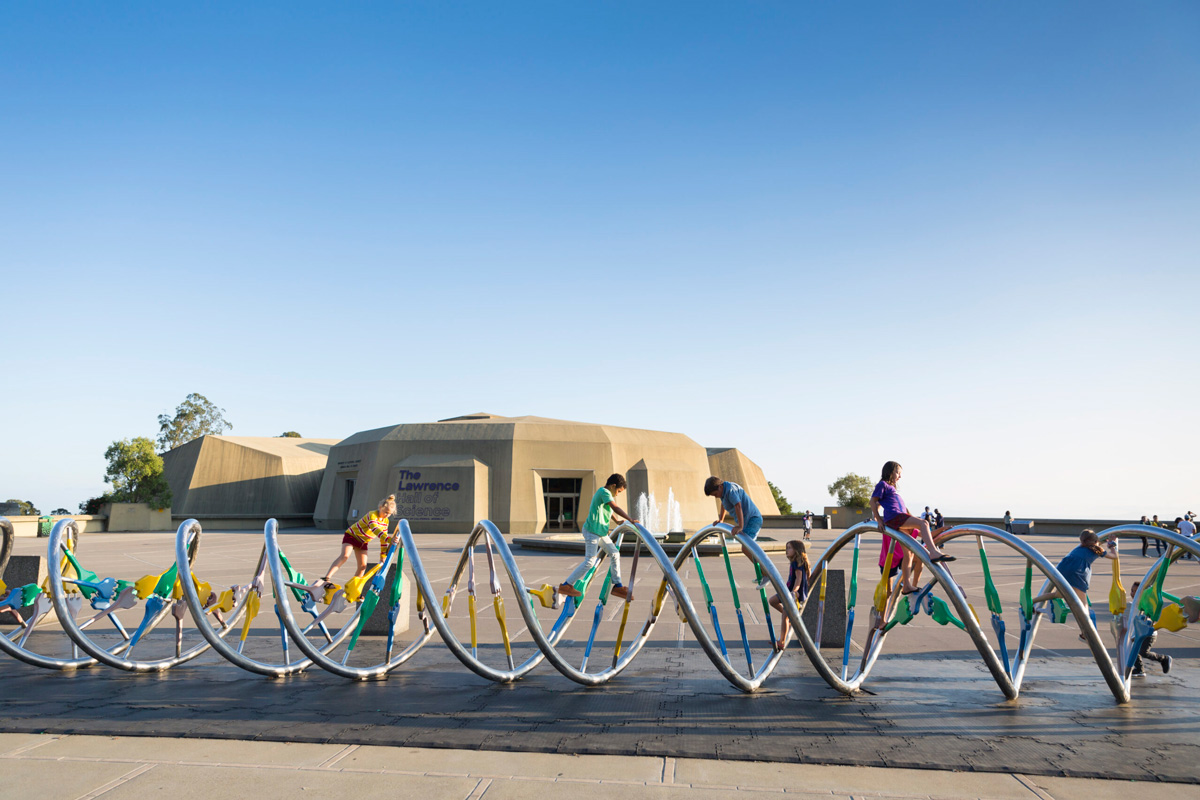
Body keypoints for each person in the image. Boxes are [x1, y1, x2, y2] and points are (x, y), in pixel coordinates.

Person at [869, 461, 954, 595]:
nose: (900, 477)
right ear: (890, 472)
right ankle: (933, 552)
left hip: (897, 518)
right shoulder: (883, 484)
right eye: (898, 473)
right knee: (924, 523)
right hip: (895, 517)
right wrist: (879, 519)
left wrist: (942, 530)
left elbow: (879, 502)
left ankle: (907, 585)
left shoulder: (891, 488)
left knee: (908, 553)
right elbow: (873, 501)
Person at [558, 473, 638, 600]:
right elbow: (615, 507)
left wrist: (617, 521)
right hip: (592, 532)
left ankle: (617, 585)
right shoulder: (604, 492)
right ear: (613, 486)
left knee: (615, 553)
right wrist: (630, 519)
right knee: (590, 561)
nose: (617, 494)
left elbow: (609, 510)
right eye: (618, 491)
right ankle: (566, 585)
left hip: (600, 533)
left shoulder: (607, 495)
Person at [1048, 529, 1118, 639]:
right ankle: (1085, 631)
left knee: (1058, 594)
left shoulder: (1079, 548)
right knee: (1083, 605)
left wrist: (1104, 540)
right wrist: (1112, 545)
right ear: (1095, 541)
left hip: (1063, 568)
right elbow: (1114, 556)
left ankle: (1033, 602)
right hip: (1077, 573)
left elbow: (1095, 542)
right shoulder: (1097, 550)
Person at [317, 495, 396, 586]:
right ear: (380, 507)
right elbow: (374, 529)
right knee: (345, 556)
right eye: (385, 512)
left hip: (362, 542)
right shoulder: (372, 515)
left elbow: (383, 539)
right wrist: (388, 539)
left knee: (363, 566)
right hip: (352, 536)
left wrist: (382, 554)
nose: (387, 515)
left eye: (390, 514)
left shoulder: (385, 521)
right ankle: (326, 578)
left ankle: (354, 586)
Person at [704, 476, 763, 566]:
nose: (716, 497)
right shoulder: (723, 492)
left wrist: (740, 526)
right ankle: (762, 573)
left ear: (720, 487)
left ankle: (765, 572)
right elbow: (723, 505)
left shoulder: (731, 490)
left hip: (753, 519)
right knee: (748, 548)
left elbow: (738, 505)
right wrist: (721, 519)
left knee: (746, 548)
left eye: (715, 494)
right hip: (747, 521)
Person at [769, 540, 810, 651]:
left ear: (797, 550)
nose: (787, 550)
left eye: (790, 548)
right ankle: (790, 618)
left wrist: (795, 591)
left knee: (785, 617)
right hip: (787, 591)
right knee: (772, 601)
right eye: (787, 547)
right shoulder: (795, 562)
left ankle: (781, 642)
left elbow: (799, 578)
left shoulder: (797, 562)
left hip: (791, 593)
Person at [1129, 581, 1172, 677]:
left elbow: (1148, 620)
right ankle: (1139, 669)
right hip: (1139, 632)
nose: (1133, 594)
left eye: (1136, 591)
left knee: (1143, 652)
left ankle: (1164, 659)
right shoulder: (1135, 604)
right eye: (1132, 591)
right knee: (1133, 649)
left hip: (1149, 633)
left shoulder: (1145, 604)